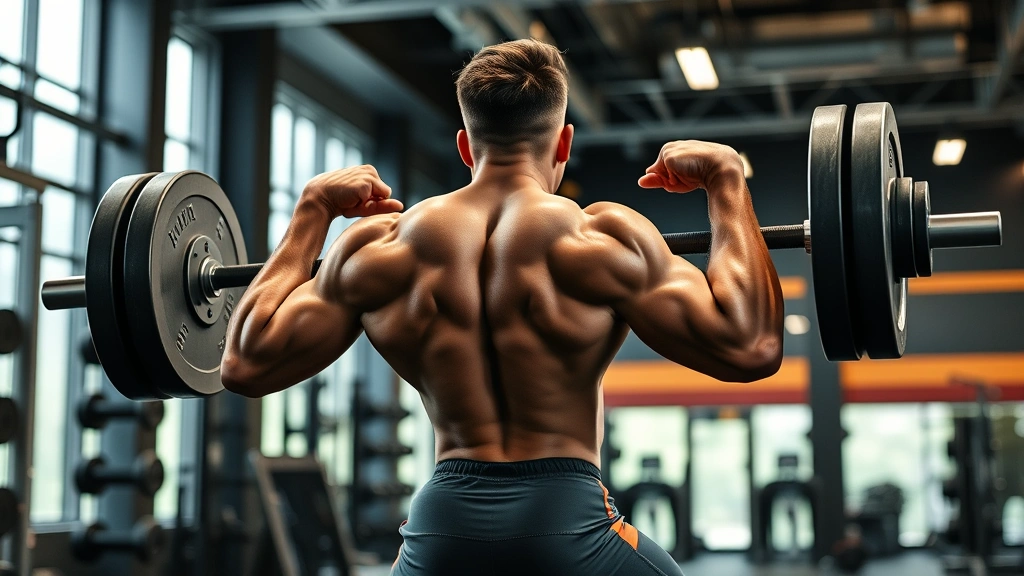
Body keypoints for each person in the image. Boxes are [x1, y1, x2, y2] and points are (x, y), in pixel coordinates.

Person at [222, 39, 784, 576]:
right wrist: (725, 182)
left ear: (466, 145)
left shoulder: (377, 247)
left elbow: (246, 364)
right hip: (566, 523)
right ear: (563, 144)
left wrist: (312, 210)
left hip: (442, 529)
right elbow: (750, 345)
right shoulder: (602, 236)